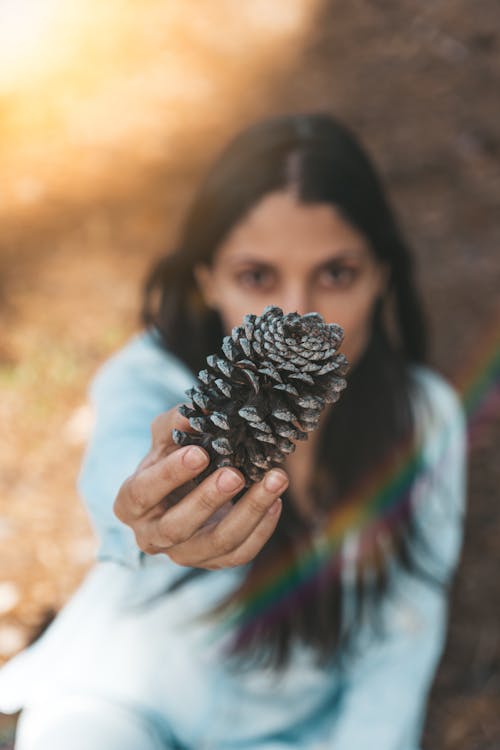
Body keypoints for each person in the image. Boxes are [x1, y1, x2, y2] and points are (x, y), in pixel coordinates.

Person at [0, 113, 467, 750]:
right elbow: (120, 471)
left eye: (336, 274)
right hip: (116, 701)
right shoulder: (150, 379)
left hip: (283, 731)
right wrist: (150, 513)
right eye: (257, 277)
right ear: (207, 280)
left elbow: (405, 626)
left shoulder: (425, 420)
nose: (299, 311)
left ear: (382, 277)